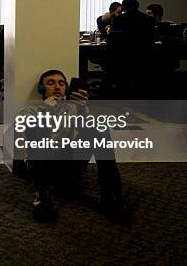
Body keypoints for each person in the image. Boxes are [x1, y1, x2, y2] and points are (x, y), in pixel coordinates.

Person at [23, 70, 127, 223]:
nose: (57, 87)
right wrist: (46, 112)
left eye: (61, 83)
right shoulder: (30, 111)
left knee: (98, 126)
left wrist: (82, 109)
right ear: (41, 89)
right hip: (44, 169)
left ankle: (111, 196)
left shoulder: (73, 108)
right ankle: (42, 198)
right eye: (50, 83)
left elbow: (87, 134)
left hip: (70, 166)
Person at [105, 0, 156, 98]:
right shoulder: (149, 20)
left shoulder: (118, 20)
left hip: (123, 63)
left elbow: (113, 40)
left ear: (123, 8)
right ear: (137, 6)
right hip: (144, 62)